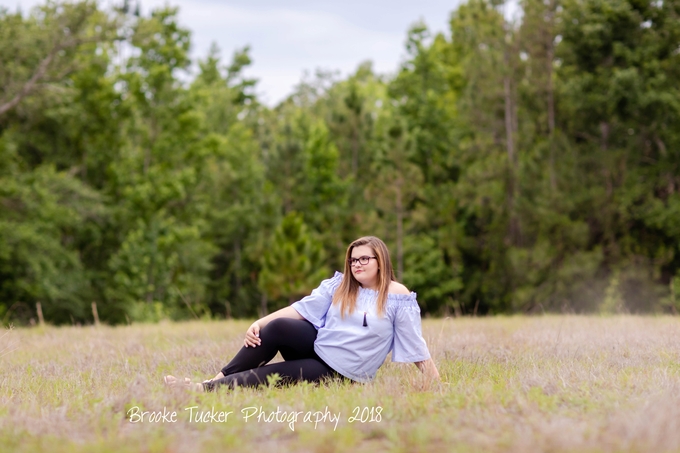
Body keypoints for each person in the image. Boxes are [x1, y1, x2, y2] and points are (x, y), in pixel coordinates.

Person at [164, 236, 440, 391]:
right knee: (277, 327)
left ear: (380, 261)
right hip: (320, 348)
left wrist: (435, 382)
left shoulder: (397, 296)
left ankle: (200, 391)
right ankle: (214, 380)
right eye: (353, 259)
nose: (357, 264)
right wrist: (258, 322)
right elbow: (300, 309)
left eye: (364, 258)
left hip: (341, 372)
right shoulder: (340, 285)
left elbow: (415, 344)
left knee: (271, 376)